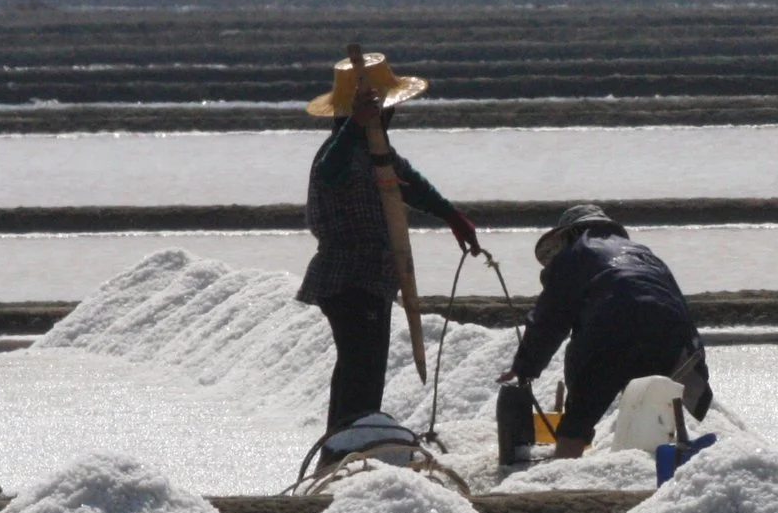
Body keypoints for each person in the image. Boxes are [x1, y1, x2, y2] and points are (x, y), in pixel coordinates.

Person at [296, 50, 482, 460]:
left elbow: (408, 183)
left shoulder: (375, 149)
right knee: (360, 372)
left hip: (370, 279)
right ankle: (344, 453)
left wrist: (452, 216)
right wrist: (356, 127)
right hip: (348, 278)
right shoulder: (341, 150)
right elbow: (330, 170)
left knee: (360, 370)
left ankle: (342, 448)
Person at [500, 204, 709, 460]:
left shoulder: (573, 255)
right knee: (653, 409)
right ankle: (651, 471)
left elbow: (549, 319)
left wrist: (525, 367)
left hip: (611, 332)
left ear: (567, 235)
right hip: (670, 334)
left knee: (578, 419)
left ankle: (564, 475)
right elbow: (677, 307)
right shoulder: (644, 253)